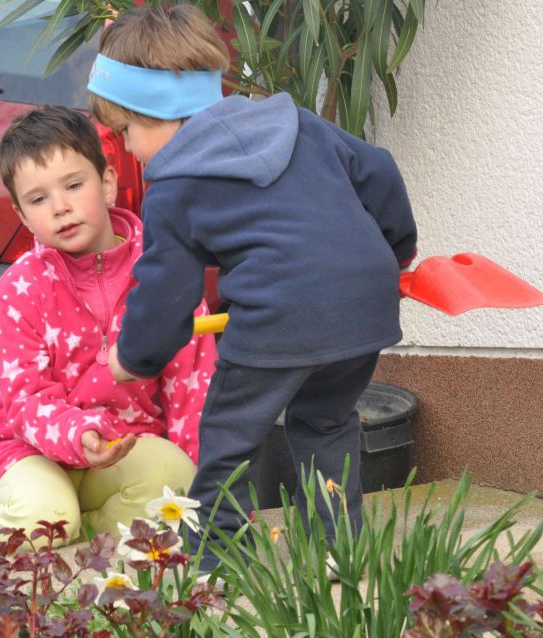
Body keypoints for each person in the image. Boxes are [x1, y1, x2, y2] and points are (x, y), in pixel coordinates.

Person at [89, 6, 418, 568]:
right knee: (325, 421)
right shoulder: (297, 124)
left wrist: (132, 357)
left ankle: (217, 564)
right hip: (364, 309)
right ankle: (338, 551)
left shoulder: (176, 183)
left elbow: (164, 291)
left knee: (229, 438)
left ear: (154, 113)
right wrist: (396, 253)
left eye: (124, 131)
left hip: (277, 318)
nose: (132, 150)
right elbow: (379, 170)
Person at [0, 105, 216, 549]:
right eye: (38, 199)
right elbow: (25, 402)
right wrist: (81, 435)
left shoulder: (163, 277)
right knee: (49, 514)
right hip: (31, 452)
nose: (60, 207)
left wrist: (210, 502)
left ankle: (89, 559)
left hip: (126, 450)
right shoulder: (16, 292)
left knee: (175, 479)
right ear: (22, 215)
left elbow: (192, 394)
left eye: (74, 185)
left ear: (107, 184)